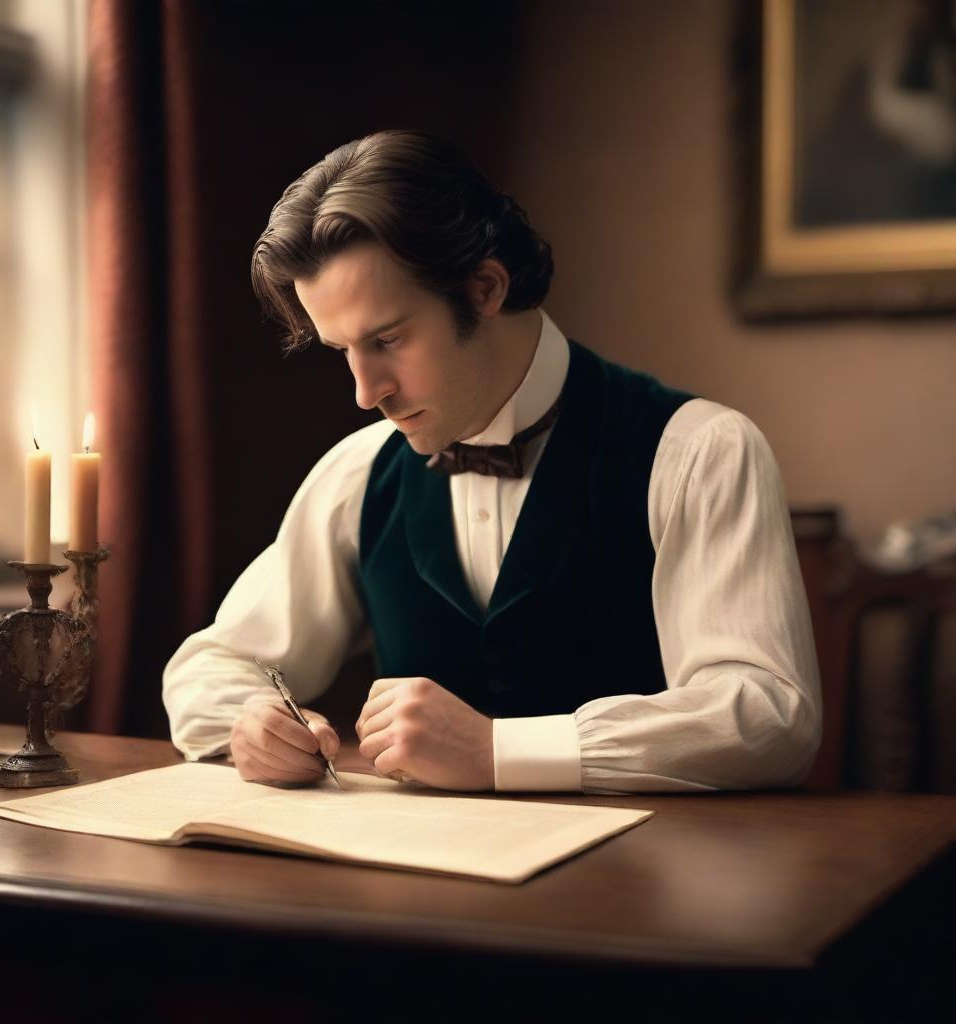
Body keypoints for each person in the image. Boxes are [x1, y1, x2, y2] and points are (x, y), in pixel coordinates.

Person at [162, 128, 821, 794]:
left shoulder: (701, 452)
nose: (365, 393)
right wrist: (250, 722)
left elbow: (770, 716)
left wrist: (500, 750)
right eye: (342, 351)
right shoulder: (356, 476)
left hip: (642, 885)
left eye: (387, 338)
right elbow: (209, 667)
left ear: (485, 287)